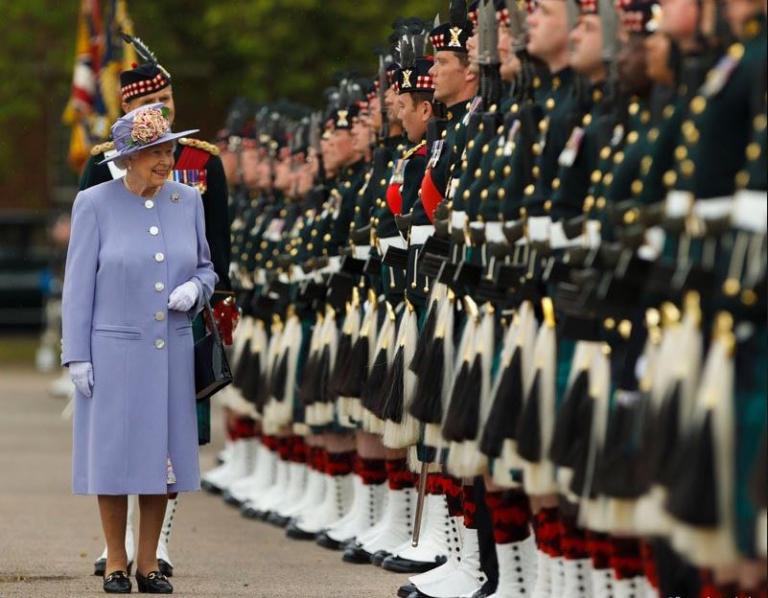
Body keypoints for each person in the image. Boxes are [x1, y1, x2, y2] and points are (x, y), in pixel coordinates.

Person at [81, 41, 233, 579]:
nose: (162, 111)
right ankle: (118, 548)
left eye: (166, 100)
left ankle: (156, 546)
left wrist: (205, 296)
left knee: (171, 447)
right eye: (150, 103)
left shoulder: (201, 167)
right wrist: (78, 349)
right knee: (116, 447)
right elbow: (86, 265)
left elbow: (217, 250)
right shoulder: (99, 173)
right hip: (118, 333)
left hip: (180, 325)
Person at [62, 103, 217, 594]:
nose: (167, 160)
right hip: (113, 353)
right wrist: (76, 353)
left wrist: (196, 289)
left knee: (162, 461)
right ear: (128, 158)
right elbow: (78, 285)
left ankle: (148, 562)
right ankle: (116, 560)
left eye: (169, 150)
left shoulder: (187, 201)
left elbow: (206, 268)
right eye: (155, 152)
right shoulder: (93, 203)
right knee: (112, 459)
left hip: (170, 354)